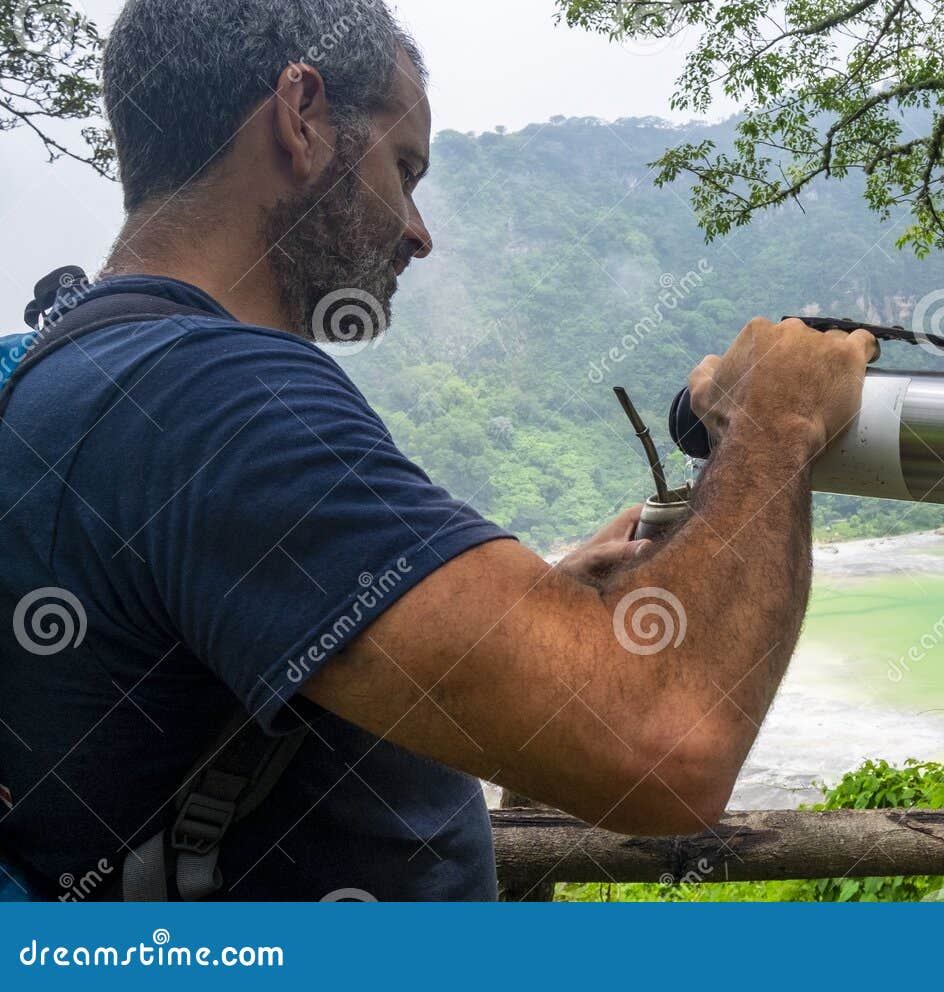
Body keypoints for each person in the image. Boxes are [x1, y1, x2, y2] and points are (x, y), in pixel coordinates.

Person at [0, 0, 874, 901]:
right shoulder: (216, 399)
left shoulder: (67, 372)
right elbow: (666, 742)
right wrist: (777, 422)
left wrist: (531, 614)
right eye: (404, 169)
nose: (418, 232)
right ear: (301, 115)